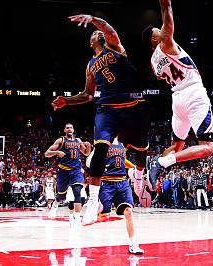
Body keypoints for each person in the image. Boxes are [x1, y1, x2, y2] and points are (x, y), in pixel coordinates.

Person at [53, 13, 150, 223]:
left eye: (99, 32)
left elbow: (109, 28)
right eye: (95, 33)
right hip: (107, 109)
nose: (98, 33)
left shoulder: (114, 47)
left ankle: (140, 176)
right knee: (100, 148)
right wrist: (67, 101)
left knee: (142, 149)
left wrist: (93, 19)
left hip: (131, 106)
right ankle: (92, 202)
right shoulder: (90, 65)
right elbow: (88, 95)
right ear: (91, 42)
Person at [143, 0, 213, 189]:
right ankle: (160, 164)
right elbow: (166, 5)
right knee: (207, 147)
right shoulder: (166, 43)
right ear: (156, 39)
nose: (161, 29)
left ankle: (156, 165)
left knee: (176, 147)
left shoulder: (154, 62)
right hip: (193, 92)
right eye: (157, 30)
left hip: (177, 100)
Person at [94, 139, 144, 254]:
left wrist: (134, 167)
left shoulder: (123, 144)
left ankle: (133, 244)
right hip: (107, 182)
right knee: (104, 215)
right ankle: (96, 205)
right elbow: (92, 160)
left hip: (122, 182)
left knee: (128, 212)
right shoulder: (102, 142)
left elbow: (121, 160)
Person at [44, 123, 91, 227]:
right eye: (67, 128)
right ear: (64, 130)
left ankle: (77, 219)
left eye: (71, 127)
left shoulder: (78, 141)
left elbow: (86, 153)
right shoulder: (61, 140)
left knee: (77, 192)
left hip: (76, 170)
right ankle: (55, 205)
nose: (69, 129)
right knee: (62, 196)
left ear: (73, 130)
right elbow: (46, 153)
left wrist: (89, 146)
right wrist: (57, 152)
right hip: (63, 171)